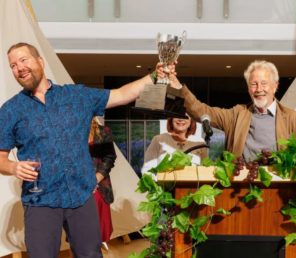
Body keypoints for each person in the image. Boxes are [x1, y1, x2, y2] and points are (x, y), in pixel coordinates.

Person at [0, 42, 169, 258]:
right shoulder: (10, 110)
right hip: (40, 201)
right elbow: (1, 159)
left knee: (90, 255)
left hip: (81, 197)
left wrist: (155, 75)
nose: (19, 68)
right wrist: (13, 167)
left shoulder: (76, 96)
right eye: (13, 65)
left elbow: (121, 94)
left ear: (40, 61)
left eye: (23, 60)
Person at [168, 60, 296, 161]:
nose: (259, 89)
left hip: (279, 189)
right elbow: (201, 110)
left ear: (275, 86)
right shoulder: (236, 114)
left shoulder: (293, 119)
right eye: (254, 84)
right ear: (248, 88)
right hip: (240, 187)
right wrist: (179, 87)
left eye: (264, 83)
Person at [142, 115, 207, 174]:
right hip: (162, 186)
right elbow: (148, 169)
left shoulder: (200, 142)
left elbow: (205, 170)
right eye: (177, 115)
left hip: (193, 186)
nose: (181, 119)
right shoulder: (158, 139)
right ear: (171, 120)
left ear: (191, 121)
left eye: (185, 116)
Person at [89, 116, 116, 249]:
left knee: (98, 234)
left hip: (99, 185)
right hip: (77, 186)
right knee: (78, 235)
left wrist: (96, 179)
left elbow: (110, 157)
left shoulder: (103, 131)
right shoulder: (68, 130)